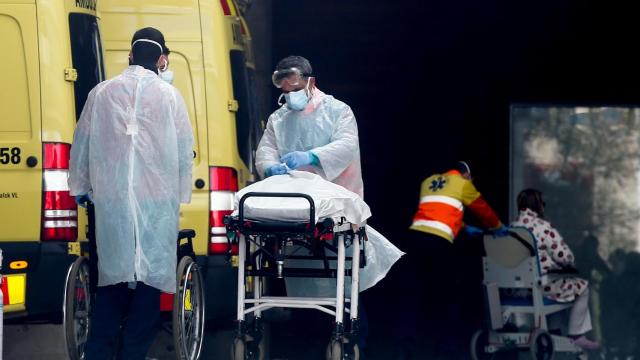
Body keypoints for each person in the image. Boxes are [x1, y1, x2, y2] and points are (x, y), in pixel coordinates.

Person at [68, 27, 193, 360]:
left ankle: (98, 352)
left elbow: (82, 143)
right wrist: (179, 193)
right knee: (149, 279)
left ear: (130, 54)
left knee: (111, 278)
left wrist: (80, 188)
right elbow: (183, 149)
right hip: (156, 203)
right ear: (162, 60)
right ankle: (133, 353)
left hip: (111, 203)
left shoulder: (100, 93)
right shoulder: (170, 97)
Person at [399, 161, 507, 359]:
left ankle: (406, 348)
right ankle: (445, 349)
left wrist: (464, 227)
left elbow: (438, 210)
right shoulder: (463, 184)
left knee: (415, 295)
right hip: (439, 243)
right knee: (447, 296)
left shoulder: (429, 181)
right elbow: (482, 209)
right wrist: (498, 226)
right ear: (467, 174)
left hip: (415, 241)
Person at [255, 55, 363, 198]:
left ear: (311, 82)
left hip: (337, 197)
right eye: (286, 92)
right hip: (295, 198)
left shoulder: (337, 111)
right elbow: (266, 150)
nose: (291, 96)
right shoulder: (278, 118)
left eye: (296, 90)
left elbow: (347, 145)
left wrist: (312, 157)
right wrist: (270, 167)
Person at [511, 189, 599, 350]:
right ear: (538, 206)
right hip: (540, 286)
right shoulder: (543, 227)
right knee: (582, 288)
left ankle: (555, 333)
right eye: (542, 204)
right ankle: (576, 335)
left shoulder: (511, 228)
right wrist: (567, 265)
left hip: (518, 288)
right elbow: (566, 257)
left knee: (557, 288)